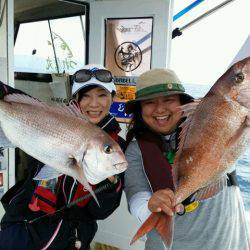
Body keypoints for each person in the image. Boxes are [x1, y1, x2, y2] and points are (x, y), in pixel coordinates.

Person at [0, 64, 125, 250]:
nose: (94, 104)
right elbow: (27, 103)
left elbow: (101, 211)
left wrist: (110, 185)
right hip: (22, 225)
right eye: (86, 96)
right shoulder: (54, 116)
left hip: (70, 239)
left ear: (112, 98)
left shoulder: (117, 148)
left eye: (102, 95)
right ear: (76, 99)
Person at [124, 68, 250, 250]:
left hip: (225, 241)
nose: (160, 109)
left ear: (182, 102)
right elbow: (136, 195)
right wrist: (149, 207)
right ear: (140, 109)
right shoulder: (135, 150)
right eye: (149, 102)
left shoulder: (211, 121)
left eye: (168, 99)